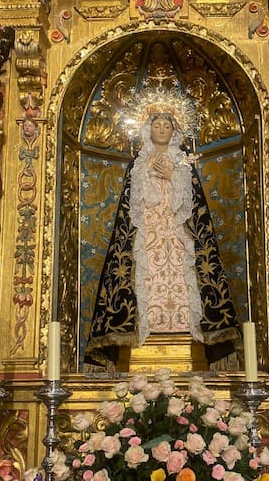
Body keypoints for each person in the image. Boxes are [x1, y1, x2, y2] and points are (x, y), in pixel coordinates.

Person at [86, 97, 239, 366]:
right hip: (148, 231)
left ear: (174, 131)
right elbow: (133, 203)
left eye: (167, 125)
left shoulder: (183, 162)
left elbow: (192, 205)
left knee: (183, 275)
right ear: (147, 129)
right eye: (156, 124)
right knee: (146, 276)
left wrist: (172, 177)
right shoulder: (139, 162)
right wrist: (146, 173)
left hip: (178, 233)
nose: (161, 129)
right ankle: (145, 332)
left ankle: (187, 333)